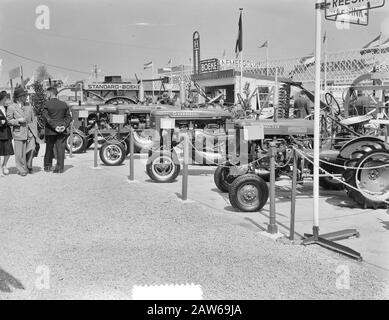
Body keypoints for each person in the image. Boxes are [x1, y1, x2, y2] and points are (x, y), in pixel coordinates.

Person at [6, 87, 40, 176]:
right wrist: (18, 121)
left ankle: (28, 165)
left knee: (32, 149)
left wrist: (34, 132)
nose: (26, 97)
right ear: (19, 97)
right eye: (24, 95)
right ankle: (22, 169)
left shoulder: (29, 105)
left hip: (30, 132)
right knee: (19, 153)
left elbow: (33, 120)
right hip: (18, 132)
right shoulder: (11, 107)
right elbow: (8, 121)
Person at [43, 87, 72, 173]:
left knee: (49, 148)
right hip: (62, 130)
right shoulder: (64, 104)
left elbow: (46, 117)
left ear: (50, 93)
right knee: (60, 149)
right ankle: (59, 168)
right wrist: (64, 126)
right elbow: (69, 117)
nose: (46, 95)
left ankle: (48, 166)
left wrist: (55, 126)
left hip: (50, 130)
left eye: (47, 93)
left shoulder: (46, 104)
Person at [0, 91, 14, 176]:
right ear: (3, 98)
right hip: (0, 133)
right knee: (0, 153)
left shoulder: (6, 108)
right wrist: (1, 122)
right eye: (6, 98)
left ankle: (4, 165)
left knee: (8, 152)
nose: (7, 99)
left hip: (7, 132)